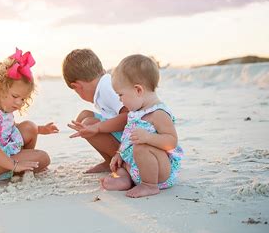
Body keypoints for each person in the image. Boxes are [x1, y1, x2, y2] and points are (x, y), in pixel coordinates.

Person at [0, 48, 59, 186]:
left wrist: (40, 129)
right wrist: (13, 164)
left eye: (23, 99)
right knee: (43, 158)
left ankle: (18, 165)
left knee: (30, 126)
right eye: (15, 96)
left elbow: (8, 128)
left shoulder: (5, 107)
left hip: (4, 149)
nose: (19, 102)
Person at [100, 54, 184, 198]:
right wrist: (119, 153)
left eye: (121, 95)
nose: (120, 100)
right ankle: (124, 179)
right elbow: (127, 137)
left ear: (138, 90)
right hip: (138, 168)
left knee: (142, 147)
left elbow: (171, 141)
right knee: (122, 162)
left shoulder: (159, 113)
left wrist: (148, 138)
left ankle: (149, 186)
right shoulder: (136, 113)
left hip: (159, 173)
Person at [63, 49, 128, 173]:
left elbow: (129, 116)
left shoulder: (107, 88)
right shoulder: (103, 84)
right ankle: (109, 160)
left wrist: (98, 127)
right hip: (123, 133)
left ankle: (122, 161)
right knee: (84, 116)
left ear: (77, 86)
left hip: (131, 139)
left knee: (87, 124)